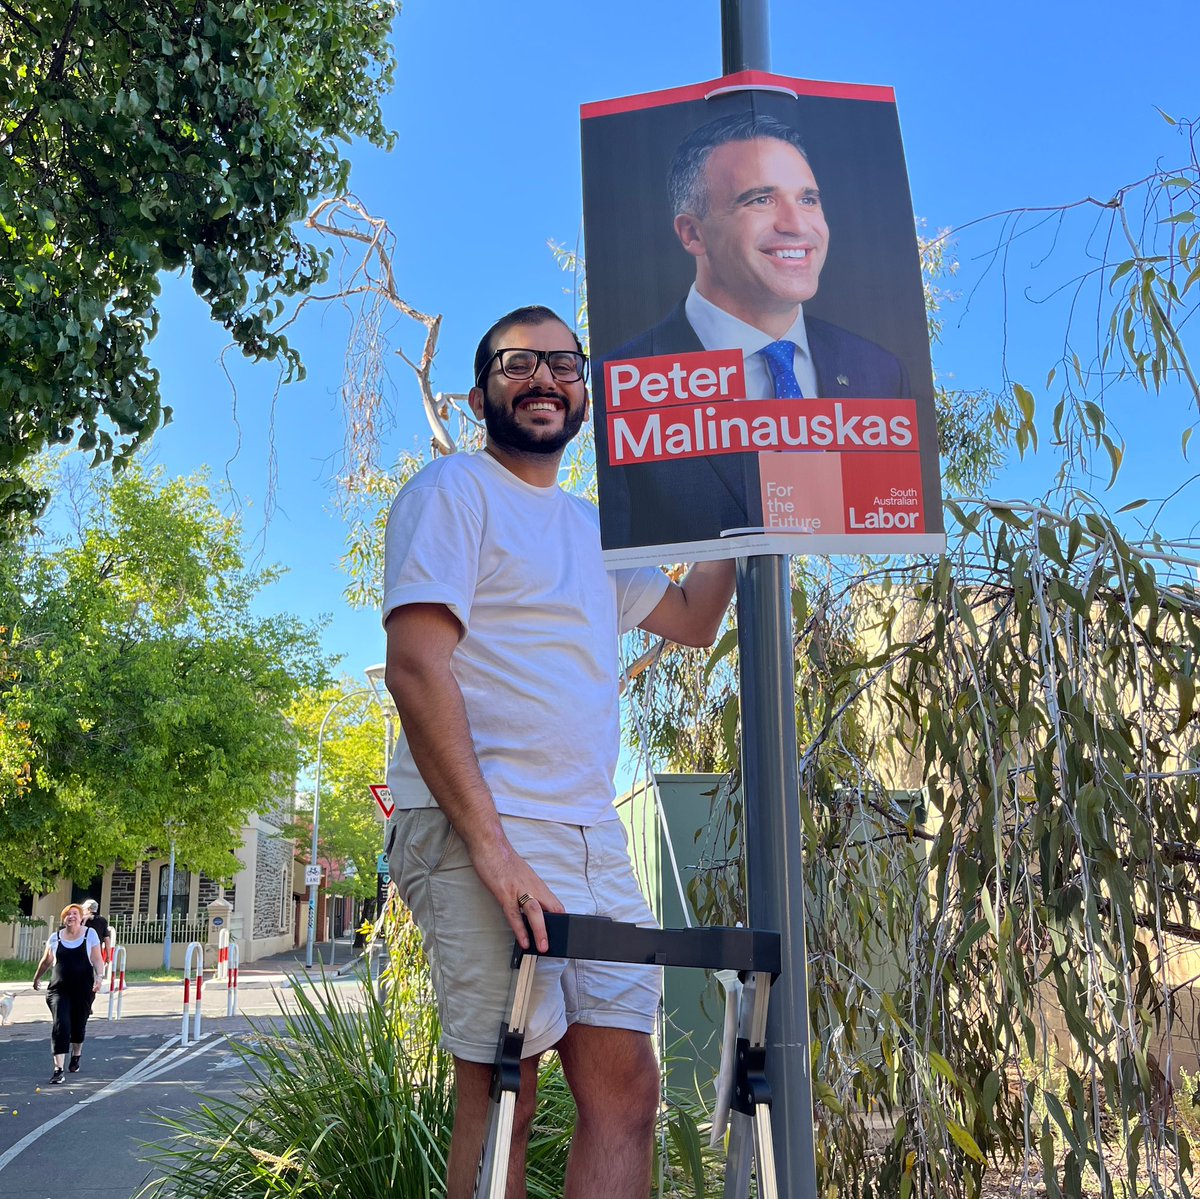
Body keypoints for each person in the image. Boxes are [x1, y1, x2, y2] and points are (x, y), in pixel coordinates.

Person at [382, 304, 734, 1199]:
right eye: (518, 362)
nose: (544, 378)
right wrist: (494, 849)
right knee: (508, 1086)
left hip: (590, 834)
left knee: (627, 1089)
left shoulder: (599, 531)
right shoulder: (454, 491)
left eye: (564, 364)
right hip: (480, 826)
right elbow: (417, 666)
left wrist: (742, 508)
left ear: (585, 393)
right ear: (478, 394)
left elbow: (694, 621)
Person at [599, 111, 911, 551]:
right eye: (760, 200)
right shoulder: (622, 384)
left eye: (808, 199)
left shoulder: (881, 373)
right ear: (692, 233)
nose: (797, 224)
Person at [31, 903, 104, 1083]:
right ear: (63, 919)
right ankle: (58, 1069)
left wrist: (100, 977)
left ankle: (76, 1055)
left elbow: (96, 958)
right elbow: (47, 960)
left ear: (81, 918)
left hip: (83, 989)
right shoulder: (55, 938)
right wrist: (37, 978)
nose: (71, 917)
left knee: (78, 1026)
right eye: (67, 914)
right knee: (61, 1024)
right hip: (59, 989)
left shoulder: (90, 934)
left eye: (75, 914)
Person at [81, 897, 112, 974]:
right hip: (98, 952)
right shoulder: (102, 920)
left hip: (83, 951)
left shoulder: (81, 920)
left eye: (84, 909)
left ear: (88, 909)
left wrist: (84, 920)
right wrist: (108, 956)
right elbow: (107, 940)